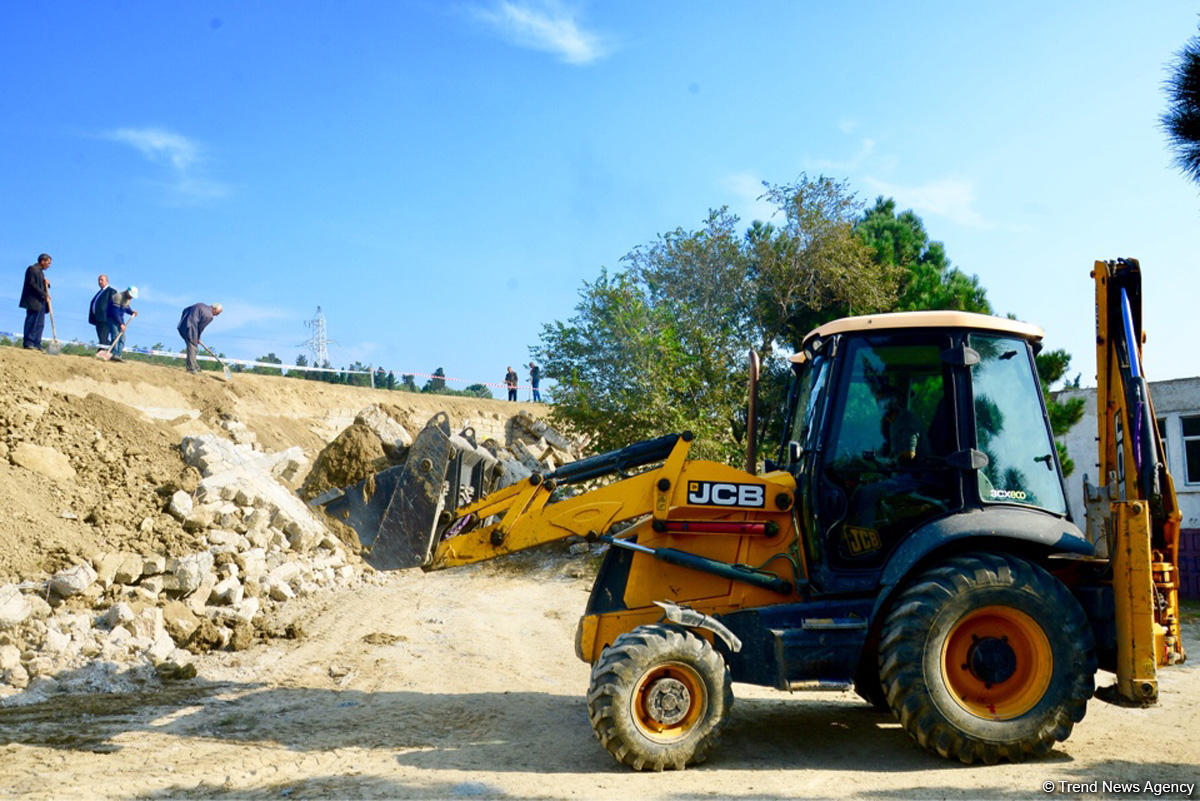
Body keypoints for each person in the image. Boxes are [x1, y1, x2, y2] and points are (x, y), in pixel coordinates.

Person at [18, 253, 51, 351]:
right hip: (33, 300)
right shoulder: (32, 269)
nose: (49, 266)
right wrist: (44, 295)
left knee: (40, 323)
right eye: (48, 263)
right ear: (43, 261)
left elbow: (41, 285)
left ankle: (37, 343)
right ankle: (28, 342)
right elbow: (32, 284)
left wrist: (47, 284)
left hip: (41, 302)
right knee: (32, 321)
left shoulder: (41, 272)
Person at [177, 302, 223, 373]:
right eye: (217, 313)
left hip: (182, 326)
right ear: (214, 309)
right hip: (191, 329)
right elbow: (200, 328)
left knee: (192, 346)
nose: (216, 315)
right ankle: (191, 369)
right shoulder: (209, 316)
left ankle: (195, 366)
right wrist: (197, 337)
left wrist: (184, 321)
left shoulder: (201, 304)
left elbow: (185, 310)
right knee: (193, 347)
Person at [106, 286, 139, 361]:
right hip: (112, 318)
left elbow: (126, 308)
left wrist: (132, 312)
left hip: (120, 318)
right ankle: (113, 354)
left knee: (122, 338)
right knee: (115, 335)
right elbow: (115, 312)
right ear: (127, 292)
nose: (131, 297)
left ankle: (118, 354)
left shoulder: (128, 299)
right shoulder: (118, 297)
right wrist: (121, 324)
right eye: (131, 295)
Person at [88, 274, 118, 347]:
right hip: (97, 319)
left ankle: (103, 350)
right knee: (102, 338)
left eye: (102, 280)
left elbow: (115, 304)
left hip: (105, 319)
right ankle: (111, 348)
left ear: (107, 281)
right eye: (99, 280)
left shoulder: (111, 291)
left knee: (103, 338)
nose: (100, 282)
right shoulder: (100, 292)